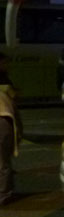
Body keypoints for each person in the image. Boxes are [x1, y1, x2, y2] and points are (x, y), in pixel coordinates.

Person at [0, 53, 21, 205]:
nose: (8, 66)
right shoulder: (5, 82)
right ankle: (5, 194)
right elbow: (14, 100)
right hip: (3, 121)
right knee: (3, 161)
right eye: (5, 62)